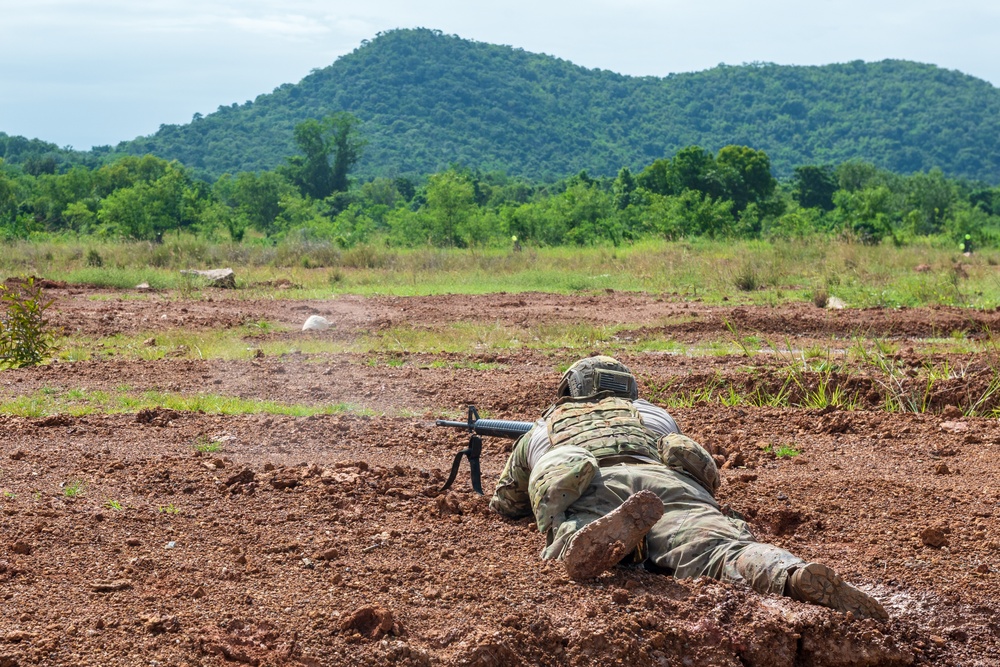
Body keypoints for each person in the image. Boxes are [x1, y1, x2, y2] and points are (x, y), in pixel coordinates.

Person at [490, 355, 888, 621]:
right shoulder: (653, 414)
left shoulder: (543, 428)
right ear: (628, 388)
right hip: (667, 483)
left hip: (592, 481)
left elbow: (508, 502)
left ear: (570, 391)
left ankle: (597, 541)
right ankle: (789, 573)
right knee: (721, 548)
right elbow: (683, 454)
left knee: (575, 522)